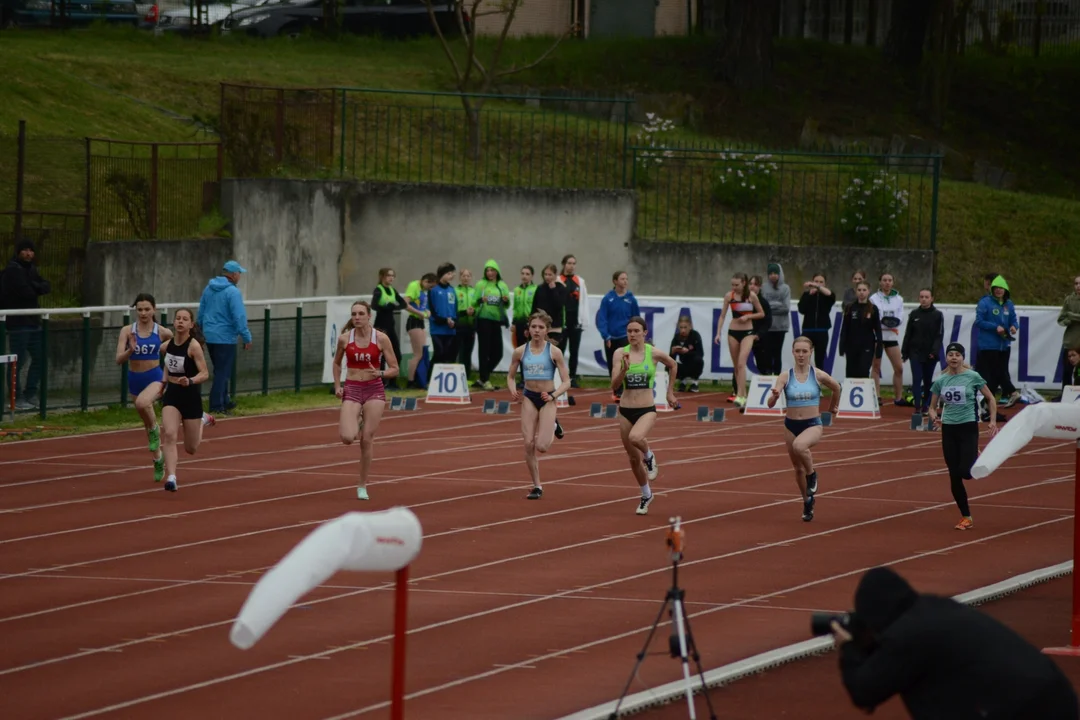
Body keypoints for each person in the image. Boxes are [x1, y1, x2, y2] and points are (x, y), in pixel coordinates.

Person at [831, 566, 1079, 720]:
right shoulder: (936, 608)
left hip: (1019, 709)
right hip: (1055, 693)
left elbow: (865, 691)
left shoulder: (909, 635)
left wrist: (848, 648)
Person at [767, 336, 841, 522]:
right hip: (791, 425)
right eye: (797, 351)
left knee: (800, 447)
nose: (801, 355)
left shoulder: (818, 375)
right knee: (796, 469)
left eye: (804, 351)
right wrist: (775, 396)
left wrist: (833, 406)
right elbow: (769, 404)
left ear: (811, 352)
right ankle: (807, 501)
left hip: (812, 424)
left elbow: (836, 387)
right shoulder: (786, 375)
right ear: (792, 352)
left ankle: (812, 474)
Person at [610, 316, 678, 516]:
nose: (632, 334)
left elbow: (673, 365)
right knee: (632, 459)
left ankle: (649, 456)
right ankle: (646, 494)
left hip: (646, 408)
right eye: (629, 331)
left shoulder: (653, 353)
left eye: (636, 331)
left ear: (644, 333)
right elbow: (614, 386)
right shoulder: (620, 353)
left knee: (636, 438)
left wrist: (670, 392)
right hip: (625, 410)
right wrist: (624, 369)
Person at [332, 300, 400, 501]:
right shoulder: (345, 339)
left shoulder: (381, 339)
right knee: (347, 438)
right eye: (354, 314)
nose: (357, 317)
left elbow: (395, 368)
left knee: (366, 440)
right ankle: (357, 420)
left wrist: (379, 372)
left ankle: (362, 485)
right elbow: (336, 364)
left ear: (369, 315)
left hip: (374, 390)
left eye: (361, 314)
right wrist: (338, 386)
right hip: (352, 389)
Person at [927, 343, 998, 530]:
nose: (953, 357)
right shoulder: (941, 380)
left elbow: (991, 398)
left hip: (968, 426)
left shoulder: (973, 377)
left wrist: (992, 420)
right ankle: (966, 516)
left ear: (962, 358)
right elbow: (932, 407)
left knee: (966, 473)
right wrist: (934, 417)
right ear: (947, 358)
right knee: (954, 475)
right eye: (950, 354)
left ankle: (974, 453)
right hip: (949, 428)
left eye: (957, 354)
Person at [506, 311, 572, 500]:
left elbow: (566, 381)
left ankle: (553, 424)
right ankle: (537, 486)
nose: (536, 330)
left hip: (547, 399)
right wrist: (512, 389)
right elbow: (510, 377)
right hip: (528, 397)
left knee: (542, 446)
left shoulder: (554, 352)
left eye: (540, 327)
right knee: (528, 444)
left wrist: (553, 395)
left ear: (547, 331)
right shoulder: (520, 351)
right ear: (528, 329)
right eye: (533, 327)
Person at [114, 293, 174, 483]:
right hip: (135, 379)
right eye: (139, 309)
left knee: (143, 403)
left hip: (155, 377)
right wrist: (130, 351)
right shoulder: (127, 331)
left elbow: (177, 345)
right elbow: (118, 360)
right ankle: (157, 459)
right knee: (145, 422)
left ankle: (156, 428)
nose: (143, 313)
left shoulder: (162, 332)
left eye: (147, 309)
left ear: (154, 309)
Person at [158, 308, 212, 493]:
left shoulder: (193, 346)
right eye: (178, 318)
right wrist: (163, 384)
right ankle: (171, 477)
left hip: (190, 395)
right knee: (170, 434)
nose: (180, 321)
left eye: (185, 319)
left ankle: (202, 419)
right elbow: (167, 366)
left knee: (191, 448)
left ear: (191, 324)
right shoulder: (166, 346)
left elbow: (205, 373)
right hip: (172, 394)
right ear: (174, 323)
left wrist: (190, 380)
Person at [0, 238, 50, 410]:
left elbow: (46, 286)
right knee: (17, 361)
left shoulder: (32, 269)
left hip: (33, 321)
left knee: (39, 357)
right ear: (18, 252)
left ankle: (30, 393)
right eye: (25, 250)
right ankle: (16, 397)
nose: (29, 254)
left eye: (31, 250)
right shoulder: (13, 270)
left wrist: (35, 286)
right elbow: (26, 292)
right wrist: (36, 287)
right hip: (18, 323)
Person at [197, 260, 252, 415]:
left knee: (220, 369)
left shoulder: (209, 288)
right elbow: (239, 316)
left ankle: (224, 400)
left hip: (209, 335)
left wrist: (200, 329)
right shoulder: (233, 292)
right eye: (239, 273)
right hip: (225, 337)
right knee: (222, 372)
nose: (240, 276)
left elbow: (202, 310)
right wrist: (246, 337)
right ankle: (216, 405)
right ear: (234, 274)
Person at [714, 272, 764, 408]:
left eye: (737, 285)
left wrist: (748, 317)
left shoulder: (751, 296)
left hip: (748, 332)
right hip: (733, 332)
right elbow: (722, 316)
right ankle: (741, 394)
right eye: (732, 284)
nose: (734, 287)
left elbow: (761, 313)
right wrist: (718, 333)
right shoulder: (729, 296)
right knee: (737, 366)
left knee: (742, 363)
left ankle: (742, 395)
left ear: (744, 283)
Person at [976, 274, 1021, 412]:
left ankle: (987, 403)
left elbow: (1014, 320)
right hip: (989, 345)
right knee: (996, 371)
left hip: (1004, 345)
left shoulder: (1009, 304)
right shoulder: (985, 303)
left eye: (1001, 288)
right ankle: (1012, 392)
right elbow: (979, 321)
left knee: (997, 375)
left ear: (1005, 290)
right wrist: (995, 327)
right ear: (992, 289)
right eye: (996, 288)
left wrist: (1014, 327)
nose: (998, 291)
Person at [901, 288, 945, 415]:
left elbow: (939, 335)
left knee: (927, 380)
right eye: (921, 297)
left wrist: (934, 351)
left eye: (926, 297)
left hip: (930, 353)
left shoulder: (937, 315)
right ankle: (917, 406)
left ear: (932, 299)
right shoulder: (914, 314)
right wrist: (904, 352)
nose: (924, 299)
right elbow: (908, 333)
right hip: (915, 352)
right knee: (916, 378)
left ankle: (926, 405)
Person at [598, 271, 640, 400]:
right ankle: (617, 390)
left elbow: (636, 318)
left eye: (626, 279)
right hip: (611, 337)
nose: (625, 281)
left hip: (625, 336)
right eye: (622, 279)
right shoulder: (607, 299)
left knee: (626, 363)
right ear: (615, 281)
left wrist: (635, 334)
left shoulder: (631, 299)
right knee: (613, 364)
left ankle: (628, 388)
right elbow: (602, 318)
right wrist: (606, 335)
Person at [870, 272, 908, 406]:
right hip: (877, 336)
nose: (887, 282)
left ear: (893, 282)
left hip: (891, 336)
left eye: (889, 280)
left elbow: (900, 316)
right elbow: (875, 317)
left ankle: (898, 397)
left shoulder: (899, 299)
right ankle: (877, 396)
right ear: (880, 282)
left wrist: (893, 322)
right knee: (876, 367)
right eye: (884, 280)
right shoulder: (873, 298)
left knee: (899, 367)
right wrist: (883, 322)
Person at [474, 259, 511, 392]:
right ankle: (485, 378)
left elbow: (507, 304)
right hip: (483, 319)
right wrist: (480, 300)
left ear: (497, 271)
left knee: (498, 353)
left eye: (492, 270)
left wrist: (506, 300)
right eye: (487, 270)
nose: (490, 273)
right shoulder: (481, 284)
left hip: (496, 320)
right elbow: (474, 302)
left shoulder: (502, 285)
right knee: (484, 350)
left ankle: (483, 377)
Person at [558, 254, 590, 388]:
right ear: (564, 264)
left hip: (575, 321)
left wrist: (583, 320)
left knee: (574, 351)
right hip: (562, 322)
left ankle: (572, 377)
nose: (571, 266)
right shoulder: (558, 280)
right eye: (569, 263)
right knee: (560, 350)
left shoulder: (580, 281)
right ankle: (558, 376)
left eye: (573, 263)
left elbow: (584, 301)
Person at [371, 267, 407, 388]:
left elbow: (403, 303)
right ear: (382, 277)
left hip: (390, 326)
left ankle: (392, 381)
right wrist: (386, 307)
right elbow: (374, 305)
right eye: (388, 275)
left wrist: (393, 307)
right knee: (380, 356)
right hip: (381, 326)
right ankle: (380, 382)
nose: (391, 278)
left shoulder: (392, 290)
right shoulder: (378, 290)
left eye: (393, 276)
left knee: (397, 354)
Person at [838, 281, 881, 380]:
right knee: (850, 372)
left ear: (868, 291)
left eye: (864, 290)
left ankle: (864, 394)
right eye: (859, 290)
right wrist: (842, 346)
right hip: (851, 346)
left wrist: (879, 348)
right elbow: (845, 328)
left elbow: (878, 329)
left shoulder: (873, 309)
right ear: (856, 292)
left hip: (867, 346)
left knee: (863, 371)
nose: (861, 292)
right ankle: (850, 394)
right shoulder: (850, 307)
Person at [402, 273, 435, 389]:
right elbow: (405, 304)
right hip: (413, 321)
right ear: (426, 281)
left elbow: (421, 305)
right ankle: (410, 381)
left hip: (420, 321)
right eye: (430, 286)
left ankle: (417, 379)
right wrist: (419, 313)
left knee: (421, 353)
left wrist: (426, 311)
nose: (429, 289)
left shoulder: (423, 290)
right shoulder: (414, 286)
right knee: (417, 354)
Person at [797, 273, 836, 370]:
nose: (818, 284)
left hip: (822, 331)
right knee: (804, 357)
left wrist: (817, 287)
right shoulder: (807, 295)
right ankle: (803, 379)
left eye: (821, 282)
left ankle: (819, 380)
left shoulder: (827, 296)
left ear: (825, 284)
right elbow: (801, 309)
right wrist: (809, 295)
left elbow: (830, 295)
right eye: (816, 281)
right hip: (807, 330)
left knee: (820, 359)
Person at [760, 262, 791, 375]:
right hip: (767, 327)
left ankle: (778, 376)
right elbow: (762, 307)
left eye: (775, 273)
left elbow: (786, 308)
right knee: (767, 353)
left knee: (777, 353)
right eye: (771, 273)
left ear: (779, 274)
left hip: (780, 327)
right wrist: (777, 304)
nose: (773, 275)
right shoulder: (763, 287)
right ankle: (767, 376)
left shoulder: (785, 288)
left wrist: (770, 307)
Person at [428, 262, 458, 365]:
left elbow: (455, 309)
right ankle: (429, 378)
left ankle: (443, 380)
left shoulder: (452, 290)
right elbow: (431, 311)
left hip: (450, 330)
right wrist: (444, 320)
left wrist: (453, 321)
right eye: (449, 273)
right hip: (437, 329)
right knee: (439, 353)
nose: (452, 276)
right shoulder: (433, 291)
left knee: (447, 355)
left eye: (452, 273)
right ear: (442, 274)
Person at [1057, 276, 1080, 399]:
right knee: (1067, 372)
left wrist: (1072, 316)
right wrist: (1068, 320)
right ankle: (1065, 396)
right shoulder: (1068, 300)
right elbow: (1060, 320)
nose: (1078, 286)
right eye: (1076, 283)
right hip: (1070, 342)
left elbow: (1069, 315)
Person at [532, 264, 566, 347]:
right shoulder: (540, 288)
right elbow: (534, 306)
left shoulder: (560, 288)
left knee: (554, 352)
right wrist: (530, 322)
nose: (547, 277)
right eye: (545, 274)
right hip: (541, 325)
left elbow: (559, 305)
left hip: (555, 326)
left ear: (555, 275)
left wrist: (553, 290)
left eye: (550, 274)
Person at [670, 315, 704, 393]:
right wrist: (673, 352)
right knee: (669, 364)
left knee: (698, 360)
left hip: (693, 364)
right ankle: (683, 381)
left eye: (685, 327)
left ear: (690, 326)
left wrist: (688, 352)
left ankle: (694, 382)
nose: (683, 330)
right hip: (683, 365)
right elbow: (671, 358)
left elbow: (700, 354)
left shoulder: (695, 335)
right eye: (681, 328)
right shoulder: (676, 338)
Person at [455, 269, 479, 375]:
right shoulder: (455, 291)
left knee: (468, 351)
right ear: (460, 277)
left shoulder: (474, 292)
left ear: (471, 278)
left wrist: (474, 312)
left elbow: (478, 307)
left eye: (468, 276)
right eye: (463, 276)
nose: (465, 278)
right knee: (460, 351)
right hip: (459, 325)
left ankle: (467, 375)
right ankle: (459, 374)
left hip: (471, 325)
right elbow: (453, 308)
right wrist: (465, 312)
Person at [512, 266, 537, 348]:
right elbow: (515, 308)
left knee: (530, 348)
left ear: (532, 276)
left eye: (527, 274)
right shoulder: (517, 290)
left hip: (531, 323)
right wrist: (513, 323)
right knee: (519, 348)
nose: (524, 276)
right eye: (522, 273)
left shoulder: (536, 289)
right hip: (519, 322)